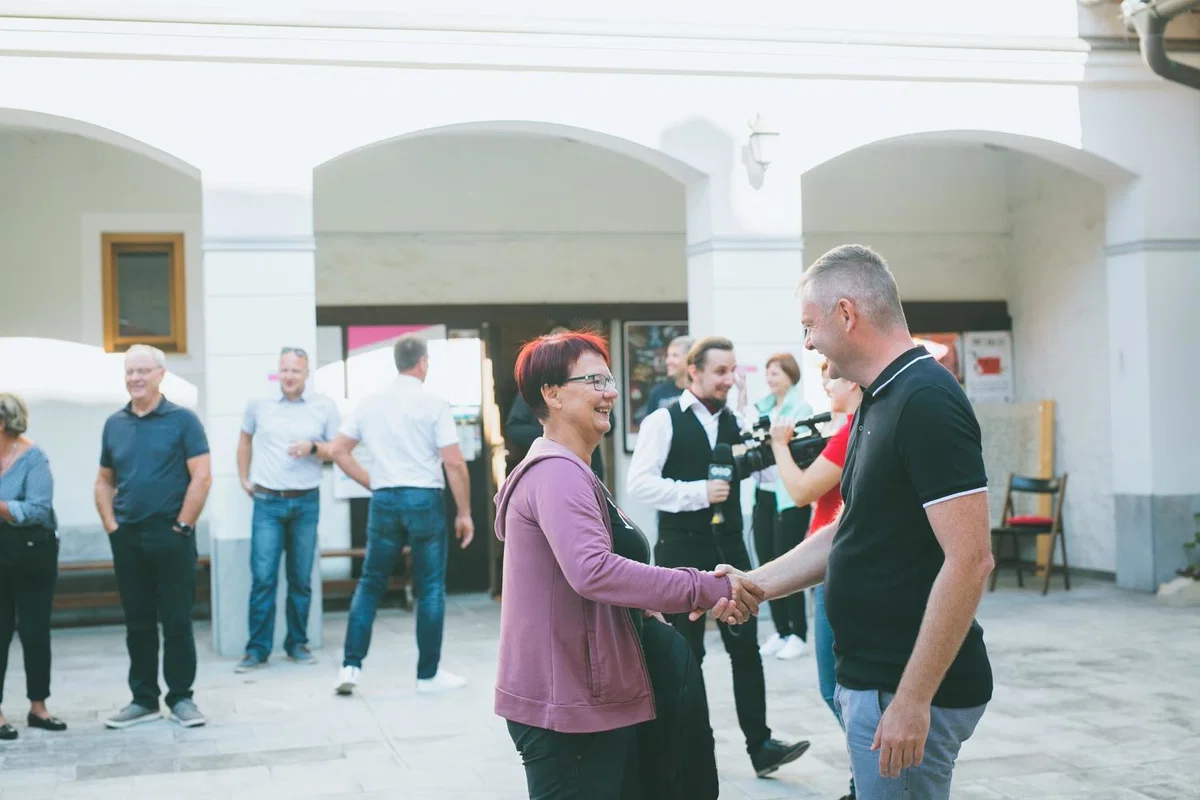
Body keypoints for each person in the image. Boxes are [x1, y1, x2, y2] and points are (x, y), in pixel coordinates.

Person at [706, 244, 994, 799]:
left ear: (846, 313)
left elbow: (970, 560)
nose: (807, 341)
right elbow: (850, 529)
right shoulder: (878, 398)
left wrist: (912, 700)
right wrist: (757, 584)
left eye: (810, 325)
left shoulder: (926, 399)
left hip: (906, 690)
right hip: (875, 680)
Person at [493, 330, 763, 798]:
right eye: (595, 380)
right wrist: (705, 588)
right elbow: (593, 570)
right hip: (569, 705)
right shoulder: (557, 473)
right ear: (552, 394)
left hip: (587, 694)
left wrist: (644, 606)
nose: (611, 393)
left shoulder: (575, 470)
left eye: (610, 378)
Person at [627, 336, 811, 778]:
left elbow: (769, 473)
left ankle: (761, 746)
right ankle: (688, 752)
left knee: (745, 650)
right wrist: (697, 493)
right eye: (721, 372)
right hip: (681, 551)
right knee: (686, 657)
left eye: (734, 372)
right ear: (695, 373)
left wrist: (770, 439)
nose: (730, 380)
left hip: (731, 548)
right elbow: (639, 484)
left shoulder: (740, 420)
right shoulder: (663, 420)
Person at [330, 334, 473, 696]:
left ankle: (350, 666)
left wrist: (372, 481)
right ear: (423, 362)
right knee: (430, 589)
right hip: (424, 498)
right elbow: (454, 463)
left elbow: (339, 450)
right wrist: (465, 513)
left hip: (385, 500)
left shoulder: (370, 402)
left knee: (370, 582)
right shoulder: (433, 403)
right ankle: (428, 675)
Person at [95, 345, 212, 729]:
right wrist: (112, 527)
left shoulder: (183, 421)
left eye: (143, 371)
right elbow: (103, 482)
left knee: (177, 620)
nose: (135, 378)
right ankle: (143, 699)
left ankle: (181, 698)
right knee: (138, 622)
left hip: (171, 535)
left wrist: (183, 525)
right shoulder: (115, 424)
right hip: (128, 538)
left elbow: (202, 476)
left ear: (161, 374)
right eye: (130, 372)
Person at [770, 360, 863, 799]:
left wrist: (779, 446)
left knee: (835, 688)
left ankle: (868, 771)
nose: (826, 384)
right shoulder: (845, 431)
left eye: (834, 376)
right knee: (839, 688)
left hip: (835, 566)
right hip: (830, 563)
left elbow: (801, 490)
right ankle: (863, 773)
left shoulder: (850, 434)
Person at [234, 346, 341, 672]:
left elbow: (336, 450)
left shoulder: (324, 406)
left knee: (301, 578)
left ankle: (297, 643)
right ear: (277, 372)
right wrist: (243, 478)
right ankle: (257, 650)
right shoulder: (258, 404)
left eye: (296, 371)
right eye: (285, 370)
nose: (290, 376)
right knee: (263, 578)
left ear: (306, 374)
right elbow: (244, 441)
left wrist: (312, 447)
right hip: (267, 502)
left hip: (306, 502)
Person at [0, 393, 66, 740]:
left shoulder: (33, 457)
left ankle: (38, 707)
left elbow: (38, 509)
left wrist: (3, 508)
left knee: (34, 632)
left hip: (31, 552)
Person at [750, 352, 813, 661]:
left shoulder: (801, 409)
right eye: (768, 372)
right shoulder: (762, 408)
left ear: (791, 374)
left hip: (789, 497)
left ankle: (798, 632)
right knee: (765, 562)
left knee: (790, 565)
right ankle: (781, 630)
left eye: (776, 372)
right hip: (762, 493)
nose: (770, 377)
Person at [644, 335, 693, 414]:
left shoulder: (702, 392)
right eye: (668, 355)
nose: (668, 361)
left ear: (690, 358)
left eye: (675, 355)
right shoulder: (658, 393)